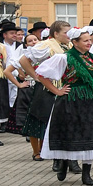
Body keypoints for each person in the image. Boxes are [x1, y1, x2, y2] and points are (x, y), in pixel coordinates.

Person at [34, 26, 93, 185]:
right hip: (71, 100)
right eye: (85, 40)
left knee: (89, 134)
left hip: (91, 101)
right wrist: (57, 91)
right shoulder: (64, 58)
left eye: (90, 40)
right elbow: (41, 74)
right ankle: (64, 163)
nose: (89, 43)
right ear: (75, 42)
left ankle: (86, 173)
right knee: (70, 133)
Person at [19, 22, 73, 166]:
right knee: (44, 120)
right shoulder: (46, 45)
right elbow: (24, 60)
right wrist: (36, 76)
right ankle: (44, 153)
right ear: (56, 34)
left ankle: (60, 156)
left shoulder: (69, 46)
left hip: (65, 87)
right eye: (66, 32)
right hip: (47, 88)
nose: (69, 35)